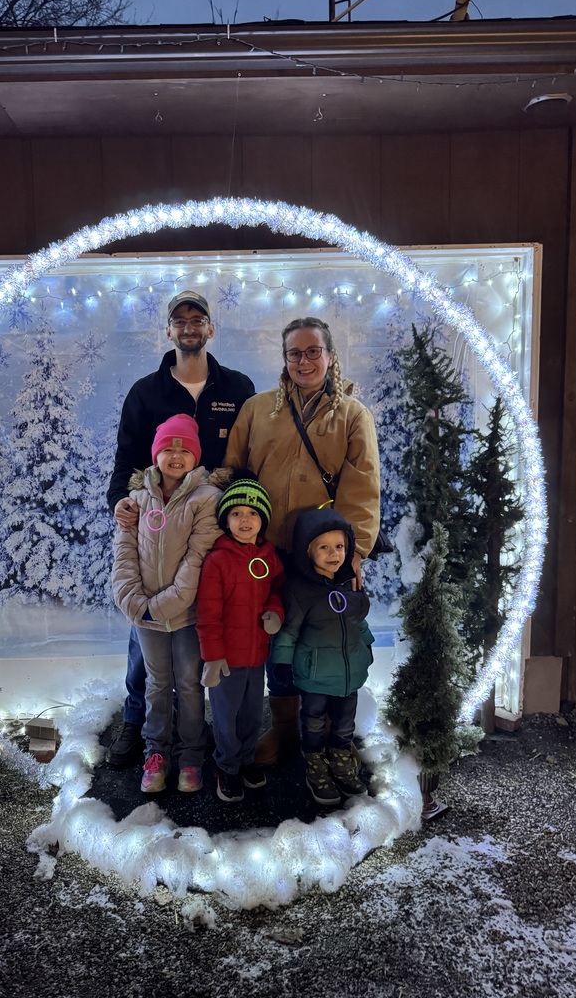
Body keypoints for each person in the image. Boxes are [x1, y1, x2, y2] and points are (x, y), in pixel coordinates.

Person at [106, 290, 255, 768]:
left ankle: (211, 729)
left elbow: (249, 460)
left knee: (203, 629)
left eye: (198, 319)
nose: (189, 326)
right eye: (180, 320)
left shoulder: (237, 388)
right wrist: (120, 504)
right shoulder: (145, 392)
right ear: (168, 331)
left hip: (217, 533)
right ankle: (138, 719)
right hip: (157, 531)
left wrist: (245, 518)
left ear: (212, 329)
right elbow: (126, 461)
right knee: (145, 630)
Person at [223, 316, 380, 765]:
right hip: (267, 552)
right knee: (279, 640)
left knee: (324, 639)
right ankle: (286, 726)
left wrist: (353, 553)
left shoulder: (352, 416)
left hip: (323, 558)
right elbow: (234, 474)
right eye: (295, 353)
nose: (305, 360)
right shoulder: (257, 409)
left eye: (314, 351)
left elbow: (363, 488)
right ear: (285, 358)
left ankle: (330, 728)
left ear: (331, 356)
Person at [111, 414, 225, 793]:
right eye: (168, 448)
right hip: (145, 617)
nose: (176, 455)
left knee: (190, 685)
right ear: (156, 454)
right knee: (157, 684)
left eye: (184, 449)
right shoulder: (136, 501)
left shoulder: (206, 499)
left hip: (187, 616)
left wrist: (159, 606)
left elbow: (197, 559)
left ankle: (191, 756)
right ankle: (156, 754)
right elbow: (124, 555)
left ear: (195, 456)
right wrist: (135, 604)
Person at [271, 507, 374, 806]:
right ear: (308, 552)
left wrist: (367, 645)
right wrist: (281, 662)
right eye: (324, 547)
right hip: (315, 677)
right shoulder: (300, 591)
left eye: (339, 546)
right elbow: (288, 632)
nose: (334, 554)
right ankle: (315, 765)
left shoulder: (349, 585)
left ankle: (341, 762)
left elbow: (359, 622)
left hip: (349, 675)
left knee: (344, 724)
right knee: (313, 721)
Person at [196, 475, 285, 803]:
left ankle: (247, 760)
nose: (245, 520)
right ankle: (227, 766)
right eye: (237, 513)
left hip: (256, 655)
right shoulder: (218, 561)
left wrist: (275, 612)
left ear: (262, 520)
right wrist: (213, 656)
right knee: (226, 716)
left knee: (250, 713)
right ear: (226, 520)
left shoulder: (268, 557)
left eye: (252, 513)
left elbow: (277, 589)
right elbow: (207, 613)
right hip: (226, 660)